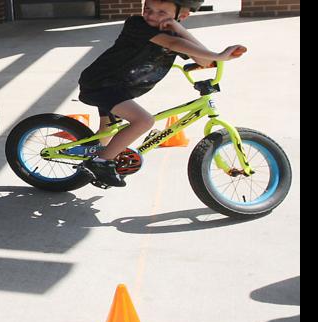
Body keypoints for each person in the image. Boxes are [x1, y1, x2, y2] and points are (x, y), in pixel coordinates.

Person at [74, 0, 244, 188]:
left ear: (182, 16)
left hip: (119, 87)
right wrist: (219, 55)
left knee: (107, 132)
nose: (152, 15)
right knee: (144, 121)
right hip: (102, 83)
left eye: (161, 12)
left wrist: (181, 29)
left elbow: (203, 60)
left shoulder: (174, 33)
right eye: (148, 9)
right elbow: (173, 43)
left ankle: (89, 160)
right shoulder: (137, 24)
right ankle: (100, 164)